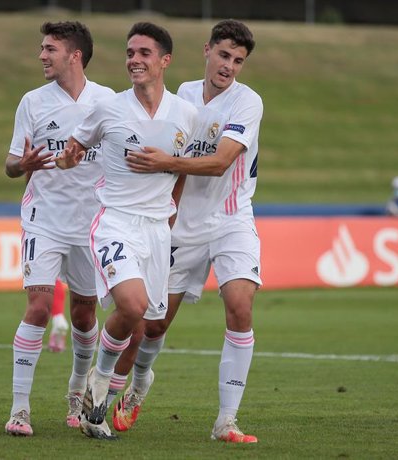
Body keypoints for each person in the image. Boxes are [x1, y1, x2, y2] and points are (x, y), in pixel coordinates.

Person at [114, 19, 263, 444]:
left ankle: (226, 422)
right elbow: (177, 157)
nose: (229, 66)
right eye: (224, 55)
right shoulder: (181, 96)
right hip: (184, 224)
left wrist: (165, 163)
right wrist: (168, 211)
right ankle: (140, 384)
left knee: (240, 305)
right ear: (207, 51)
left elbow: (219, 163)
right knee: (155, 325)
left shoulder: (248, 103)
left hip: (233, 218)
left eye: (238, 60)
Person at [56, 22, 199, 440]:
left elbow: (184, 169)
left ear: (165, 61)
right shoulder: (109, 108)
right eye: (130, 53)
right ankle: (97, 384)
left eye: (144, 53)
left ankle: (100, 405)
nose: (134, 60)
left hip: (157, 229)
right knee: (133, 306)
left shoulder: (186, 116)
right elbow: (74, 152)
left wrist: (171, 212)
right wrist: (66, 160)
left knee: (142, 328)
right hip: (115, 220)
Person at [3, 20, 115, 437]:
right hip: (43, 218)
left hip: (91, 224)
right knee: (37, 306)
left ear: (75, 55)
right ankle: (19, 410)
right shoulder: (32, 102)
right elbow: (11, 164)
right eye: (42, 48)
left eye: (50, 49)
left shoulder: (108, 102)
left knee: (85, 314)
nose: (42, 56)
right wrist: (24, 165)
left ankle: (76, 392)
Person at [48, 279, 69, 352]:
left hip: (58, 285)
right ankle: (55, 342)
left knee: (61, 324)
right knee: (62, 325)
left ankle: (54, 343)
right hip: (53, 285)